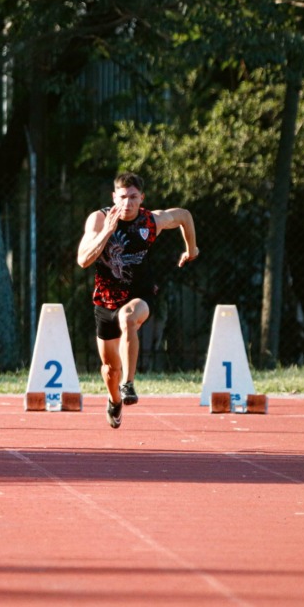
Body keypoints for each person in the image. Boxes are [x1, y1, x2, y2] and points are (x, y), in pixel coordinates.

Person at [76, 171, 198, 428]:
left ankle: (128, 384)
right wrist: (107, 232)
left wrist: (192, 249)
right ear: (114, 197)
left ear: (142, 198)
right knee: (109, 368)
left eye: (133, 197)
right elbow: (83, 259)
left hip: (139, 295)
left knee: (128, 317)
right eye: (122, 197)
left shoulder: (152, 220)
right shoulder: (99, 219)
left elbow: (184, 216)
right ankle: (115, 400)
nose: (127, 203)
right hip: (105, 300)